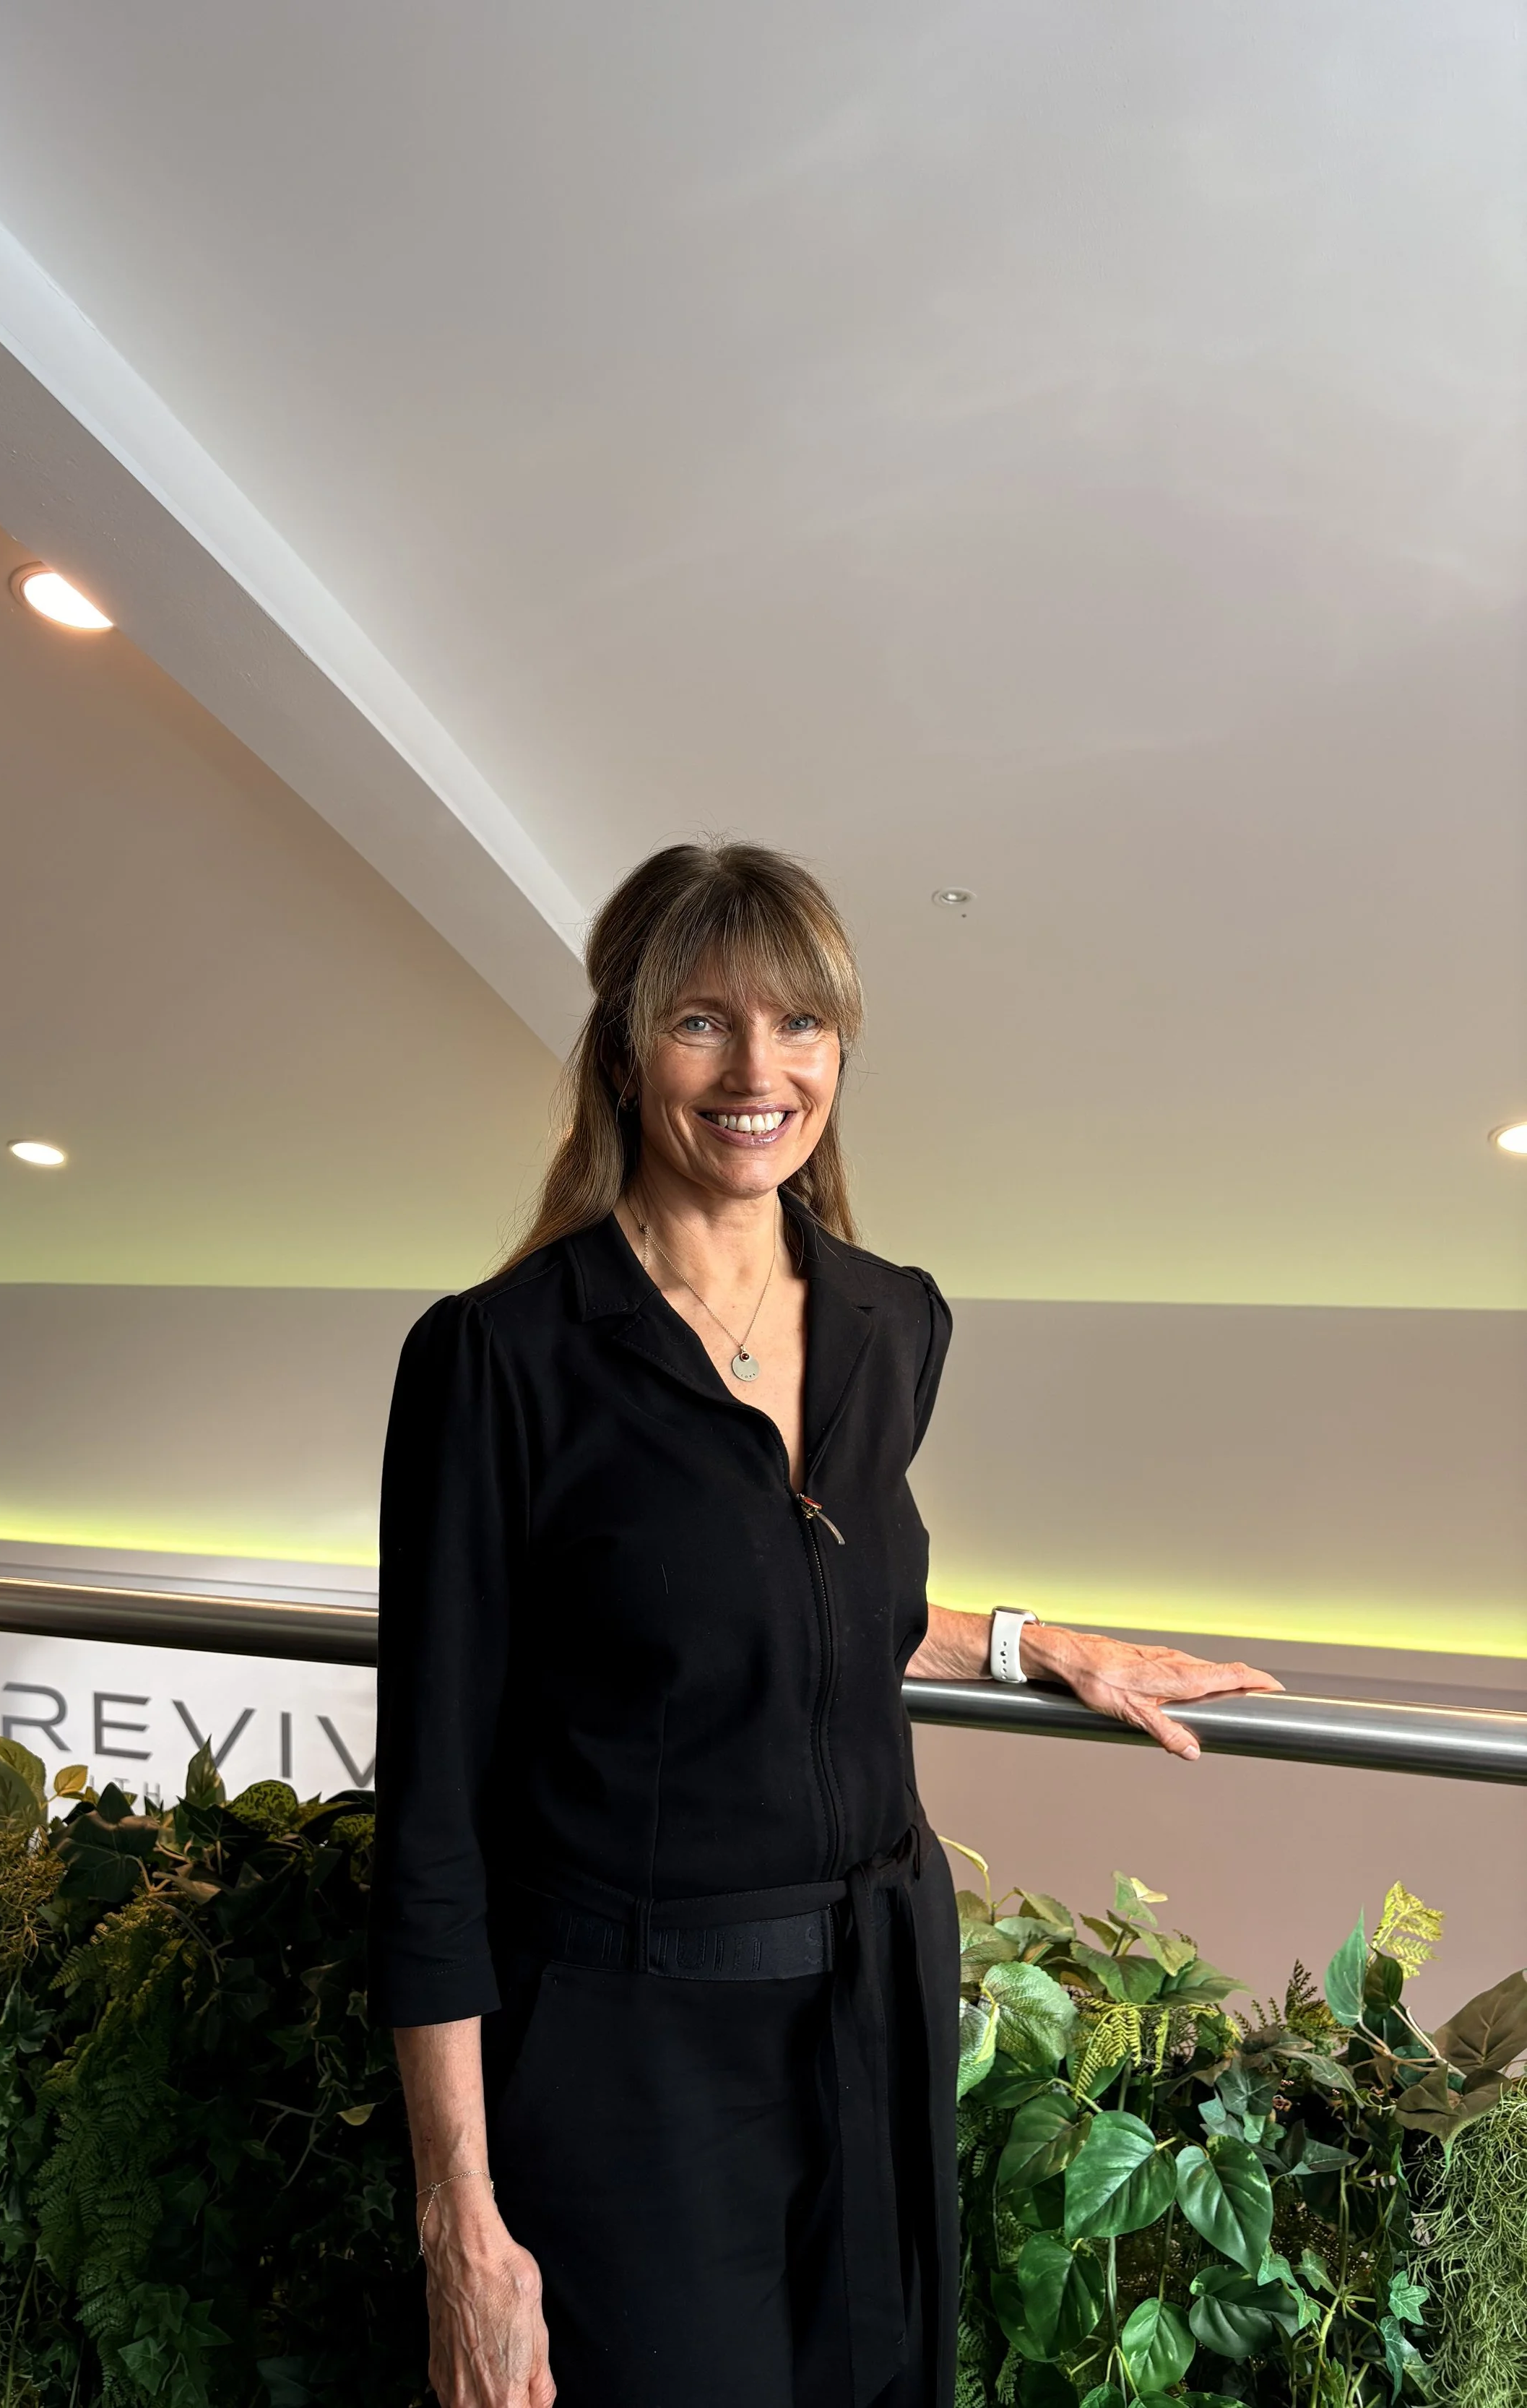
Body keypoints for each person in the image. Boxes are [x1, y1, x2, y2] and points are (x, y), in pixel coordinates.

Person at [368, 841, 1279, 2408]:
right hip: (630, 2057)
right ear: (621, 1047)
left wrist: (1037, 1643)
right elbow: (432, 1814)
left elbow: (814, 1582)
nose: (757, 1071)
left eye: (798, 1025)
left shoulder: (891, 1319)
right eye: (700, 1021)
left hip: (871, 2007)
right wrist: (462, 2218)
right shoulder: (498, 1360)